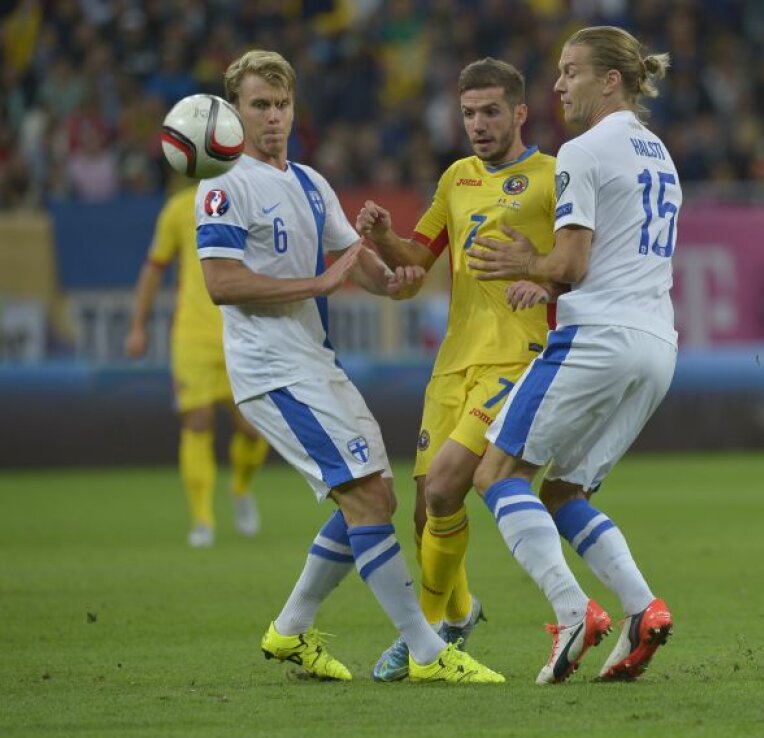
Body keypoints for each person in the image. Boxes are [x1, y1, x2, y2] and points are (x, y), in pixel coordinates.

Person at [195, 49, 502, 684]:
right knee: (366, 496)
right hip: (271, 372)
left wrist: (395, 279)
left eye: (281, 105)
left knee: (375, 495)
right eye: (259, 105)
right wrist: (317, 283)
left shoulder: (309, 182)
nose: (273, 117)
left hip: (314, 362)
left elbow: (357, 262)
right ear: (234, 112)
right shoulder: (222, 186)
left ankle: (288, 632)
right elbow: (222, 284)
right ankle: (425, 650)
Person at [466, 26, 678, 684]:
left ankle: (571, 610)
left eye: (570, 72)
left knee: (496, 473)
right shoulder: (661, 154)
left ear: (609, 79)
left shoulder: (582, 151)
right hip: (657, 345)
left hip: (598, 337)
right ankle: (643, 610)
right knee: (565, 489)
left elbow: (575, 262)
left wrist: (528, 263)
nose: (558, 85)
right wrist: (549, 275)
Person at [355, 58, 558, 682]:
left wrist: (542, 280)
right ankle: (460, 612)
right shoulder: (456, 179)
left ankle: (425, 638)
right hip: (453, 362)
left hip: (517, 356)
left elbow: (583, 263)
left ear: (519, 112)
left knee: (447, 486)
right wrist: (386, 239)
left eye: (491, 111)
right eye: (468, 113)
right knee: (423, 512)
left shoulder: (554, 178)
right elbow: (418, 258)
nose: (478, 124)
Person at [125, 172, 268, 548]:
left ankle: (240, 487)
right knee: (198, 420)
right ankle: (203, 519)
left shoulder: (251, 200)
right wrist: (137, 325)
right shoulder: (177, 209)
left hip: (244, 332)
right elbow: (154, 268)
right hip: (192, 335)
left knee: (254, 429)